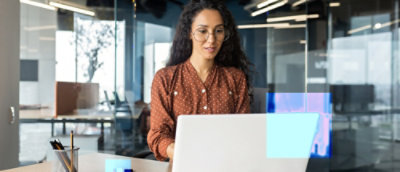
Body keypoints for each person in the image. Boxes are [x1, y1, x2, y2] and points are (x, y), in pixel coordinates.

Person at [147, 0, 252, 161]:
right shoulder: (165, 79)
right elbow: (157, 135)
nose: (211, 40)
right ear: (189, 32)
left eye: (218, 31)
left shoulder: (235, 78)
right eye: (203, 31)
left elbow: (244, 132)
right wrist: (181, 151)